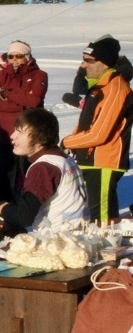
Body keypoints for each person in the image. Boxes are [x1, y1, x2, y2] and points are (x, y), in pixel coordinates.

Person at [0, 109, 88, 255]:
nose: (12, 136)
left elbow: (24, 215)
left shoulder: (44, 167)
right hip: (75, 239)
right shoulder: (61, 158)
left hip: (58, 245)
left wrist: (0, 207)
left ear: (40, 138)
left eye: (20, 132)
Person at [62, 37, 132, 223]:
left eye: (89, 60)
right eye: (83, 59)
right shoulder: (99, 85)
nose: (84, 65)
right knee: (102, 215)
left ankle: (106, 248)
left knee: (102, 219)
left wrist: (66, 142)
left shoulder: (115, 88)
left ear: (105, 63)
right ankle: (109, 245)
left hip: (104, 160)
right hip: (91, 158)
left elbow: (100, 133)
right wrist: (73, 141)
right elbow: (86, 122)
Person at [0, 40, 48, 209]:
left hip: (28, 135)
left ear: (27, 57)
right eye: (11, 56)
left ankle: (24, 208)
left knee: (24, 174)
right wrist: (21, 104)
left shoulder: (39, 75)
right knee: (2, 174)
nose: (14, 60)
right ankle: (1, 208)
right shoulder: (1, 75)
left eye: (19, 56)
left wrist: (6, 93)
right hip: (4, 133)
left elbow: (34, 100)